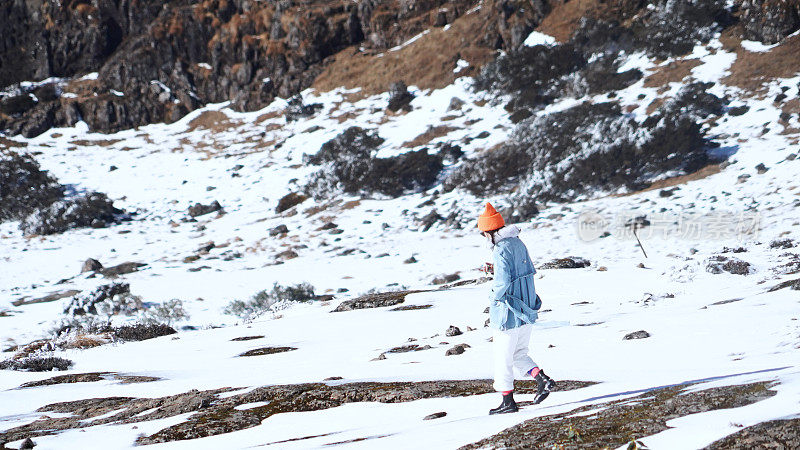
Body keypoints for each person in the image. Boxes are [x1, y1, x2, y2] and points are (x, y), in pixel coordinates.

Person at [477, 202, 555, 415]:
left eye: (483, 233)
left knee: (502, 358)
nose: (483, 238)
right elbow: (522, 271)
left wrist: (492, 297)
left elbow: (502, 282)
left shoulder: (500, 249)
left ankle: (507, 401)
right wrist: (495, 268)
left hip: (508, 312)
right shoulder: (518, 243)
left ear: (490, 232)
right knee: (519, 353)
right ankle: (542, 379)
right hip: (526, 309)